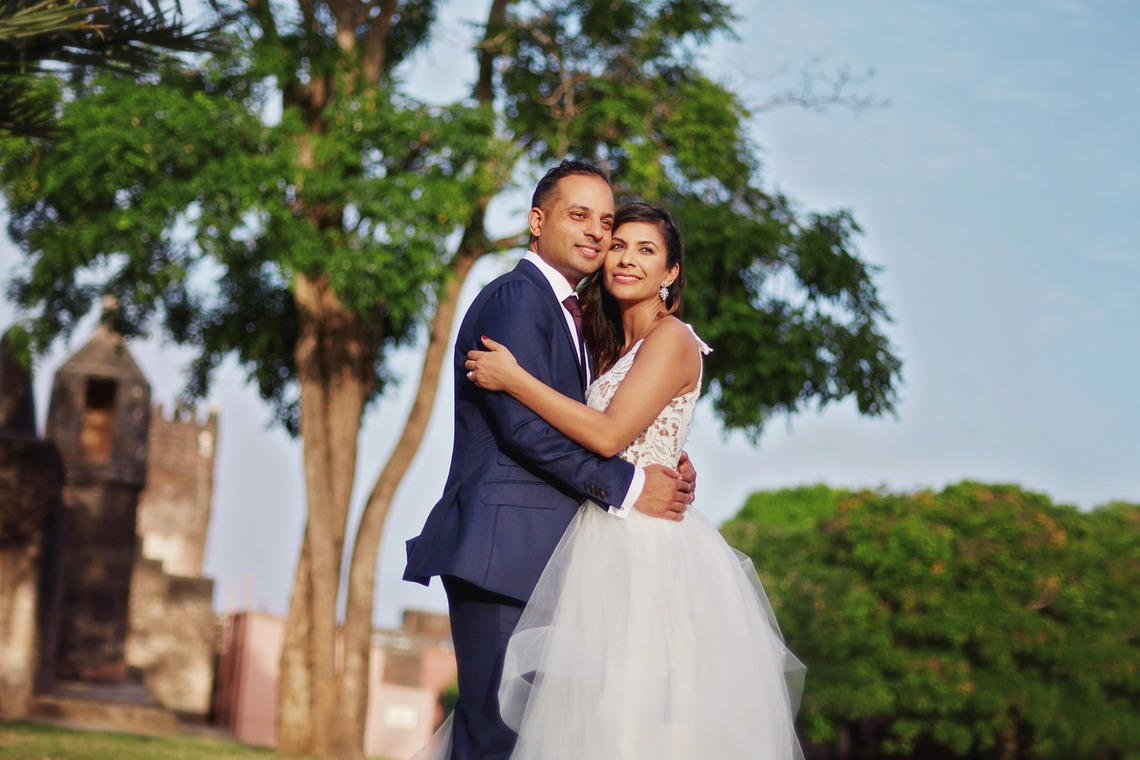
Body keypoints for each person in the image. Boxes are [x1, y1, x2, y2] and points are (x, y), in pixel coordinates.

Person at [463, 201, 806, 759]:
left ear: (670, 273)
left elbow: (605, 435)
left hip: (644, 548)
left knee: (632, 711)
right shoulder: (607, 345)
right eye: (618, 245)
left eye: (646, 251)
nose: (625, 259)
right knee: (585, 718)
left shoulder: (671, 338)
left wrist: (515, 379)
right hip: (599, 534)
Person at [403, 160, 696, 760]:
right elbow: (522, 430)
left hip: (555, 557)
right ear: (537, 222)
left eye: (605, 222)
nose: (596, 234)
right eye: (579, 216)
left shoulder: (582, 323)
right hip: (502, 549)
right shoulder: (518, 297)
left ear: (670, 272)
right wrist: (630, 485)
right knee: (495, 734)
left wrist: (667, 459)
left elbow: (604, 425)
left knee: (531, 738)